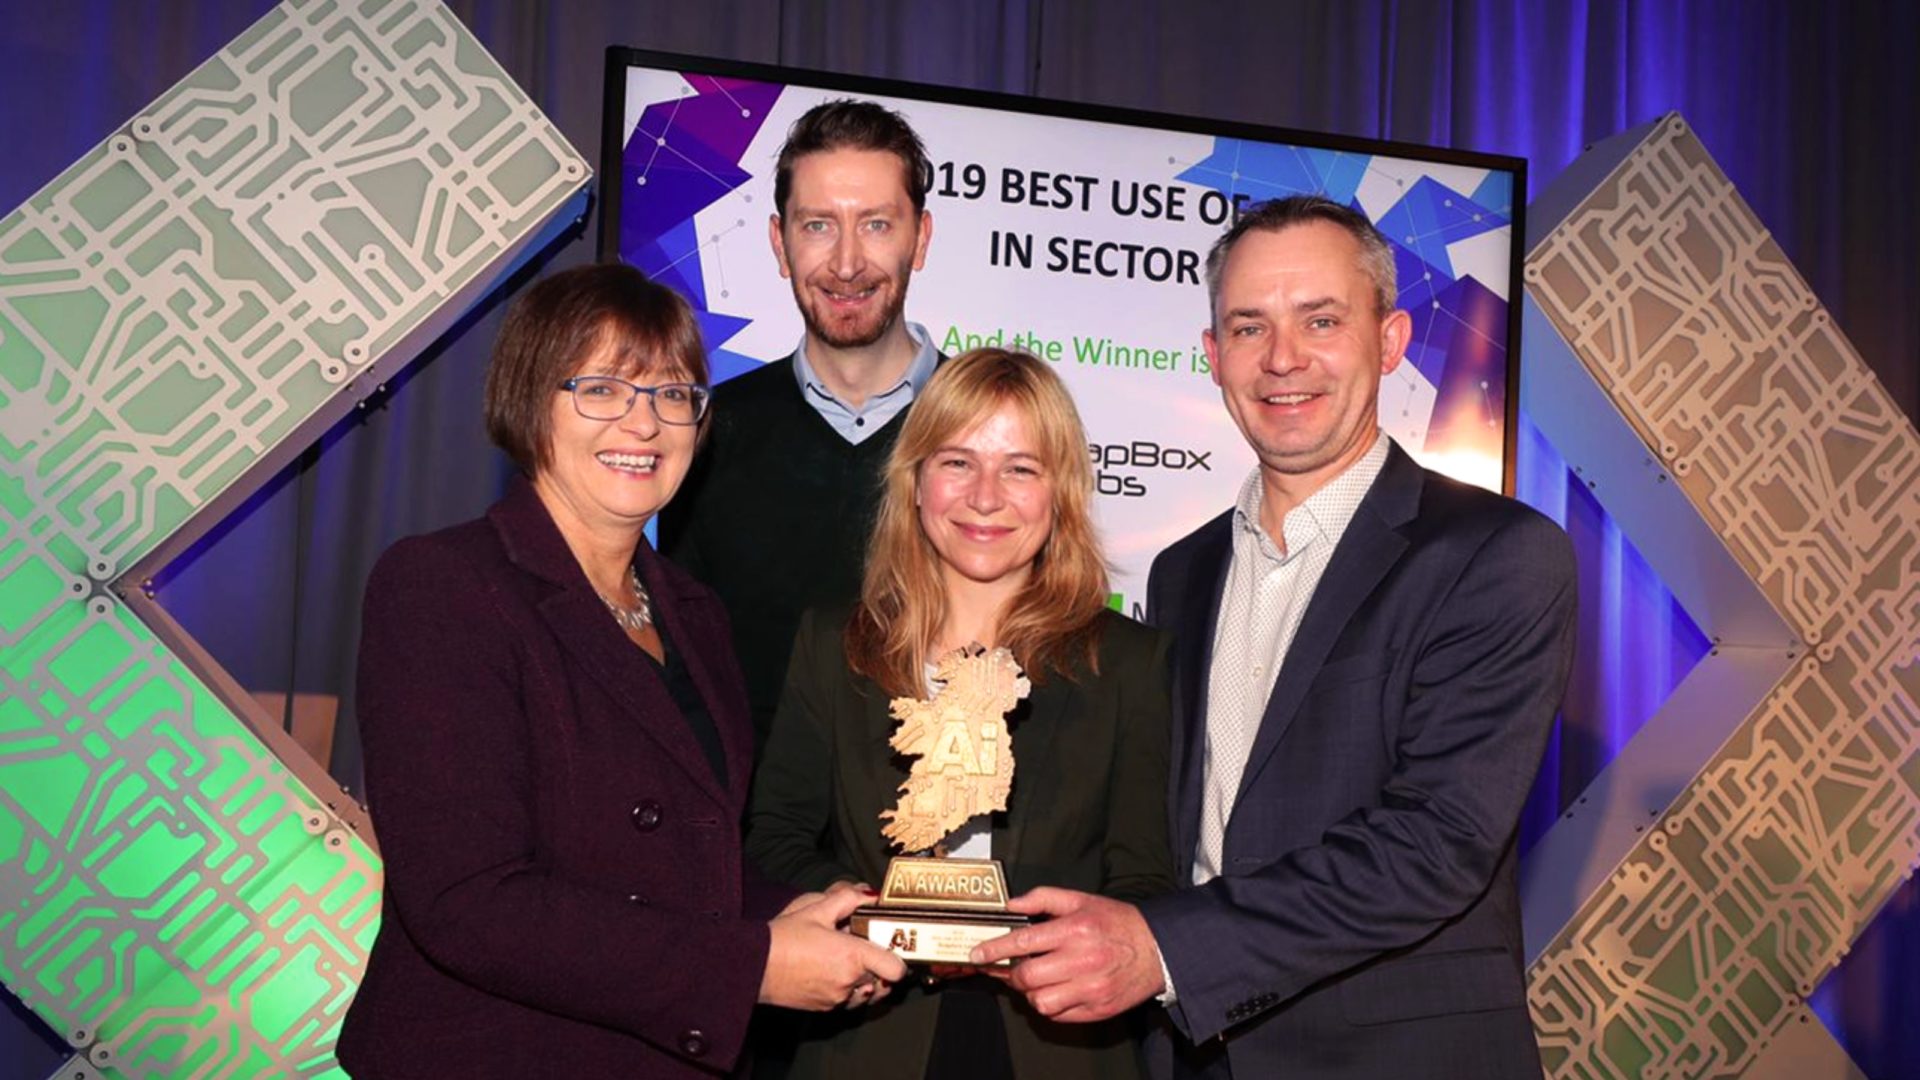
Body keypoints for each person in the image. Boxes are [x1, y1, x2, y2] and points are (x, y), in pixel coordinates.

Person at [971, 195, 1578, 1080]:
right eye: (1249, 327)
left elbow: (1435, 841)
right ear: (1214, 357)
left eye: (1321, 320)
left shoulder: (1496, 556)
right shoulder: (1183, 572)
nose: (1283, 358)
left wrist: (1165, 950)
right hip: (1191, 1050)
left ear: (1391, 339)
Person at [337, 263, 907, 1079]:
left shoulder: (693, 611)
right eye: (603, 389)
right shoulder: (444, 586)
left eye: (674, 395)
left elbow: (679, 862)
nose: (645, 423)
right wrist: (749, 967)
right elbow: (469, 901)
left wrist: (801, 913)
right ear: (530, 404)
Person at [746, 348, 1175, 1079]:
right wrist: (882, 919)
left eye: (1021, 467)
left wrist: (1047, 945)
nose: (985, 497)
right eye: (957, 462)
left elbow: (1146, 880)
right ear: (914, 481)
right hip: (864, 1038)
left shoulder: (1129, 663)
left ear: (1061, 494)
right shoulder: (834, 644)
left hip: (1058, 1047)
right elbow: (776, 839)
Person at [660, 98, 940, 747]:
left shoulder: (987, 434)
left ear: (920, 239)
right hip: (747, 840)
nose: (846, 263)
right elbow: (684, 678)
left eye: (876, 224)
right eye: (818, 226)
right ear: (779, 242)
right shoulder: (707, 432)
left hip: (936, 830)